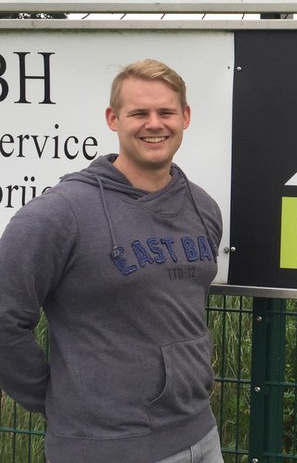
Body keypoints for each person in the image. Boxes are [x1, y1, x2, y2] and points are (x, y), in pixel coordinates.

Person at [0, 60, 224, 463]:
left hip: (202, 435)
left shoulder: (202, 207)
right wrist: (56, 399)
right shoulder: (58, 215)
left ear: (185, 117)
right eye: (139, 113)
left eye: (166, 112)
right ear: (113, 119)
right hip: (104, 447)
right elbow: (4, 318)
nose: (154, 124)